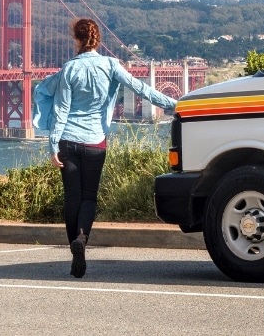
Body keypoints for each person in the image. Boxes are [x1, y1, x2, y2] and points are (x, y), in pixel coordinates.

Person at [33, 18, 177, 278]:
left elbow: (61, 109)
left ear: (76, 40)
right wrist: (176, 104)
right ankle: (82, 237)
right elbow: (141, 89)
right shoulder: (111, 65)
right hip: (95, 142)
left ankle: (75, 251)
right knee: (89, 197)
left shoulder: (68, 69)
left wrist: (53, 144)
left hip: (68, 139)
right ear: (97, 40)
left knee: (71, 198)